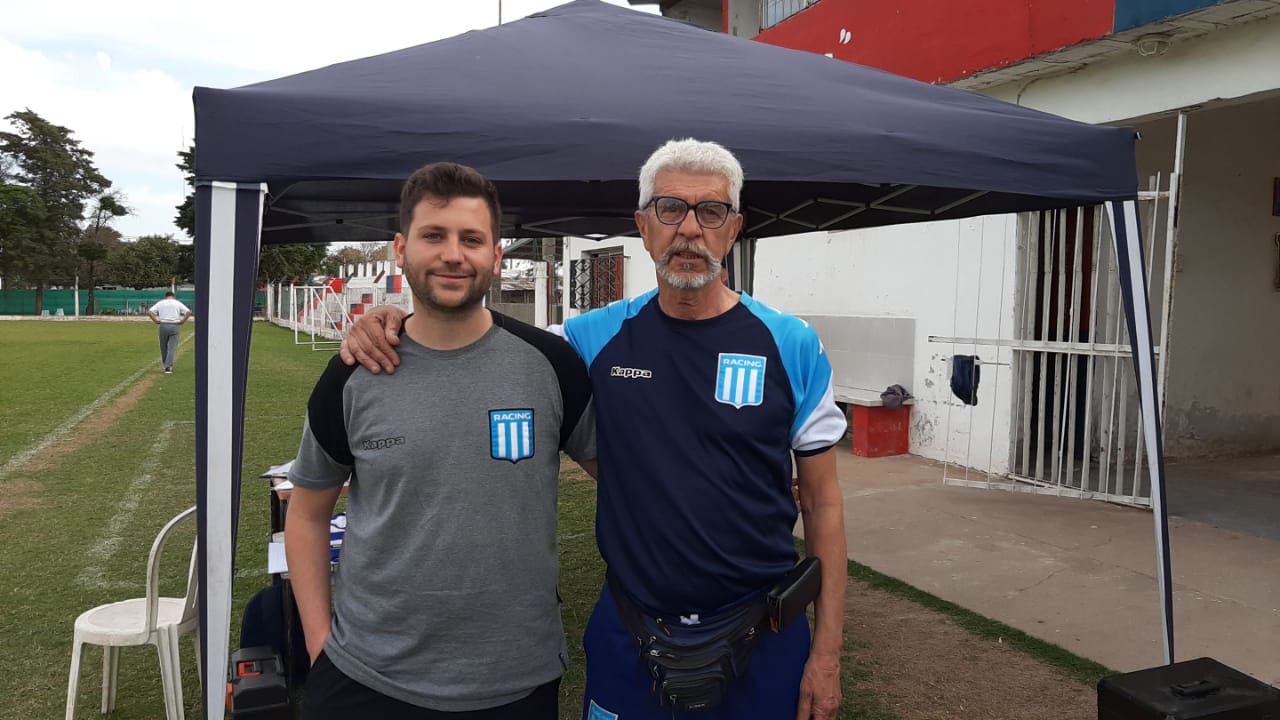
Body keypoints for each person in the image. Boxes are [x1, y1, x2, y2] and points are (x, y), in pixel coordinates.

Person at [342, 139, 849, 720]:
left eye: (710, 212)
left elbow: (823, 504)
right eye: (669, 209)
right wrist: (392, 319)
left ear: (732, 229)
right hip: (631, 630)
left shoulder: (792, 344)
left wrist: (827, 651)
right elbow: (479, 336)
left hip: (763, 631)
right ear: (642, 225)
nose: (689, 229)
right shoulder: (587, 341)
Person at [286, 162, 597, 720]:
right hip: (366, 679)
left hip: (516, 682)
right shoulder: (354, 372)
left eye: (472, 239)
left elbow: (628, 480)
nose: (454, 254)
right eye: (435, 235)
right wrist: (320, 650)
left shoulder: (552, 366)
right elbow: (307, 514)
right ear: (401, 249)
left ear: (496, 256)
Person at [146, 291, 192, 374]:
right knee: (172, 348)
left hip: (163, 325)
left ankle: (165, 364)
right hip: (174, 325)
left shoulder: (161, 303)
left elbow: (149, 312)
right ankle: (168, 367)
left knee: (163, 347)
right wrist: (182, 321)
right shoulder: (177, 303)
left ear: (166, 296)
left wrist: (156, 320)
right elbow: (188, 312)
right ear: (173, 296)